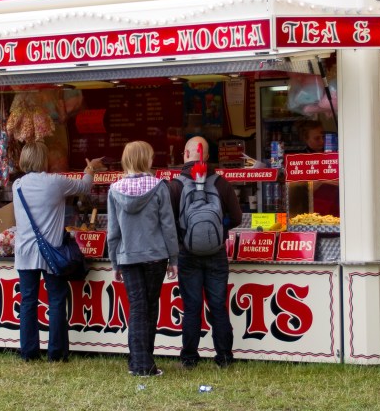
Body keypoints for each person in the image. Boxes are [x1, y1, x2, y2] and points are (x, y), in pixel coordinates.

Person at [12, 142, 105, 363]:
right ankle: (57, 353)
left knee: (28, 302)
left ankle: (29, 352)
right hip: (52, 253)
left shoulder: (17, 185)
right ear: (43, 159)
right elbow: (84, 187)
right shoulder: (54, 182)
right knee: (55, 300)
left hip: (25, 252)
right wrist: (90, 169)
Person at [168, 136, 242, 368]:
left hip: (186, 253)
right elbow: (237, 218)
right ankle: (224, 357)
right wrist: (217, 231)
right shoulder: (221, 183)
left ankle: (189, 358)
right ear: (208, 157)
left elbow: (168, 222)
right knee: (218, 305)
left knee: (192, 307)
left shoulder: (176, 185)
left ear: (185, 155)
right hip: (217, 253)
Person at [107, 141, 179, 377]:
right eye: (149, 156)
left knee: (137, 308)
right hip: (155, 257)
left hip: (128, 257)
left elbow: (113, 231)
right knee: (149, 308)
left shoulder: (114, 190)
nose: (151, 160)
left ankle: (138, 360)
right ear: (143, 159)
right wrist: (174, 258)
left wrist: (115, 262)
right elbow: (168, 226)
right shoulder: (159, 187)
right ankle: (143, 363)